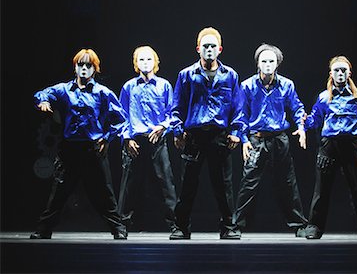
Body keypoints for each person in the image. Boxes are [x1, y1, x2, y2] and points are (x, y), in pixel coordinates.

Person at [30, 49, 128, 240]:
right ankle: (44, 229)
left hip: (93, 150)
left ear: (95, 69)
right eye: (80, 64)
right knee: (59, 192)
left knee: (103, 193)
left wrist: (107, 137)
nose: (84, 68)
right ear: (75, 67)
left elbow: (121, 119)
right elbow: (41, 93)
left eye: (88, 65)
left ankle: (118, 228)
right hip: (70, 149)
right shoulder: (64, 90)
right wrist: (43, 101)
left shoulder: (102, 93)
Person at [169, 27, 244, 240]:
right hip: (194, 135)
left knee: (223, 185)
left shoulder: (230, 75)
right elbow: (177, 106)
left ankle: (228, 226)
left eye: (213, 46)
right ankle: (181, 226)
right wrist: (177, 130)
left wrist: (236, 131)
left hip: (218, 136)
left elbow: (237, 107)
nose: (209, 50)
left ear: (219, 49)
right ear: (198, 49)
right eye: (205, 46)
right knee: (188, 184)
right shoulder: (186, 75)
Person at [234, 44, 309, 237]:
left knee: (287, 181)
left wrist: (301, 128)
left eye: (271, 61)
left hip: (279, 139)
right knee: (249, 182)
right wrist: (243, 139)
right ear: (258, 64)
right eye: (264, 61)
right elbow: (241, 114)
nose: (268, 65)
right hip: (257, 139)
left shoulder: (287, 85)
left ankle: (299, 224)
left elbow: (297, 108)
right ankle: (236, 224)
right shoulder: (247, 85)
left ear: (277, 64)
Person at [303, 55, 357, 239]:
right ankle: (314, 226)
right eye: (337, 70)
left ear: (349, 73)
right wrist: (304, 123)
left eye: (343, 70)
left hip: (350, 144)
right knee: (322, 189)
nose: (340, 73)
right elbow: (315, 119)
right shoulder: (323, 97)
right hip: (329, 145)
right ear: (331, 73)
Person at [117, 45, 177, 233]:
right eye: (141, 59)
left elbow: (172, 113)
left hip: (156, 140)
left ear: (155, 62)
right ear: (136, 63)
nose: (145, 62)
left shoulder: (164, 85)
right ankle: (123, 225)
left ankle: (176, 224)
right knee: (130, 185)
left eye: (149, 59)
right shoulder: (128, 87)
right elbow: (122, 115)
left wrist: (163, 127)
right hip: (135, 141)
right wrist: (127, 138)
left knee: (166, 184)